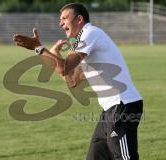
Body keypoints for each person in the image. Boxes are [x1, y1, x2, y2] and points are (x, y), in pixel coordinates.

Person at [13, 3, 143, 160]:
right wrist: (51, 53)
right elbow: (72, 80)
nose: (61, 23)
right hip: (110, 109)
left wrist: (39, 48)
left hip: (123, 106)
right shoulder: (84, 44)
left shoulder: (89, 34)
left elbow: (64, 68)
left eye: (64, 18)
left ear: (79, 19)